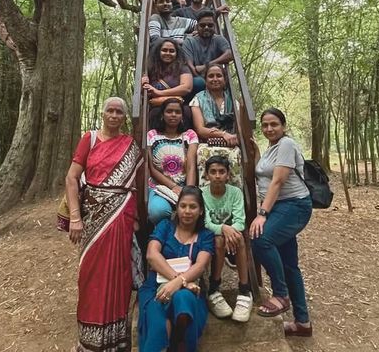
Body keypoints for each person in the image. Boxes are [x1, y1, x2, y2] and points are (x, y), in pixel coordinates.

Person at [65, 97, 143, 352]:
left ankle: (116, 339)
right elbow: (72, 178)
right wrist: (75, 218)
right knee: (91, 276)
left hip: (122, 216)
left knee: (118, 275)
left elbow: (137, 184)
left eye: (119, 112)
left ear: (123, 117)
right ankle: (89, 340)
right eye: (109, 110)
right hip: (93, 218)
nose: (114, 115)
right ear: (102, 113)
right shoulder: (89, 138)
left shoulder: (130, 144)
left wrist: (137, 219)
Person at [249, 107, 313, 337]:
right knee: (289, 264)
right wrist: (256, 152)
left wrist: (262, 214)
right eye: (265, 125)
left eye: (274, 124)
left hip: (294, 205)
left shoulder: (286, 144)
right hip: (280, 208)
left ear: (283, 126)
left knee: (259, 239)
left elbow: (278, 181)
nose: (269, 129)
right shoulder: (271, 148)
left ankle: (280, 294)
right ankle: (302, 323)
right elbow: (262, 173)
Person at [138, 186, 214, 352]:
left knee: (184, 299)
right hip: (155, 287)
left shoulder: (206, 235)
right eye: (183, 206)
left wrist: (179, 283)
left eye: (193, 207)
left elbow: (200, 265)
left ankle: (182, 342)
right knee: (158, 321)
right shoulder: (165, 226)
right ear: (177, 207)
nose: (187, 211)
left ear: (201, 211)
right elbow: (152, 254)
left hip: (192, 288)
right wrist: (179, 280)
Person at [202, 155, 253, 322]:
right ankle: (214, 288)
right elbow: (205, 223)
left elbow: (240, 221)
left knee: (239, 238)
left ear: (228, 175)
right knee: (218, 240)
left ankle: (245, 289)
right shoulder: (201, 194)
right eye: (213, 172)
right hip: (210, 237)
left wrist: (230, 231)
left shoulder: (235, 192)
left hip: (231, 237)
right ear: (207, 175)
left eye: (222, 172)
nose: (217, 176)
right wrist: (224, 228)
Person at [189, 63, 241, 188]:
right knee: (203, 154)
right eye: (211, 76)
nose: (215, 79)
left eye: (219, 76)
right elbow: (201, 129)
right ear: (205, 80)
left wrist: (233, 137)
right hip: (207, 143)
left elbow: (240, 127)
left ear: (225, 79)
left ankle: (235, 198)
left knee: (236, 155)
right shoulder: (198, 99)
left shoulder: (233, 101)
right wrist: (223, 134)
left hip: (231, 143)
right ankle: (206, 199)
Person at [147, 98, 198, 224]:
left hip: (184, 186)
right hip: (159, 187)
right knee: (157, 211)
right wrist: (173, 187)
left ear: (182, 116)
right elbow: (152, 169)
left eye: (177, 112)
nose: (173, 115)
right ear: (162, 115)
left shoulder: (189, 135)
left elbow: (191, 166)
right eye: (169, 111)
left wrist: (188, 191)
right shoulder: (152, 135)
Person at [142, 38, 193, 128]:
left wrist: (159, 93)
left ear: (177, 53)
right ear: (158, 52)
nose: (168, 53)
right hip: (158, 110)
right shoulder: (150, 69)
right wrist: (142, 83)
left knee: (186, 111)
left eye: (172, 51)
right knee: (155, 113)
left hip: (179, 108)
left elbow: (186, 88)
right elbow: (145, 92)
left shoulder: (182, 68)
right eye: (164, 50)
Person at [182, 9, 233, 94]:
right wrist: (206, 82)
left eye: (210, 25)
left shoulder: (219, 39)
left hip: (214, 77)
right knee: (199, 82)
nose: (206, 28)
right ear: (197, 27)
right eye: (202, 25)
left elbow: (229, 54)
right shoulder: (189, 41)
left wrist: (206, 66)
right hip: (196, 77)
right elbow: (190, 65)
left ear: (214, 26)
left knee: (225, 84)